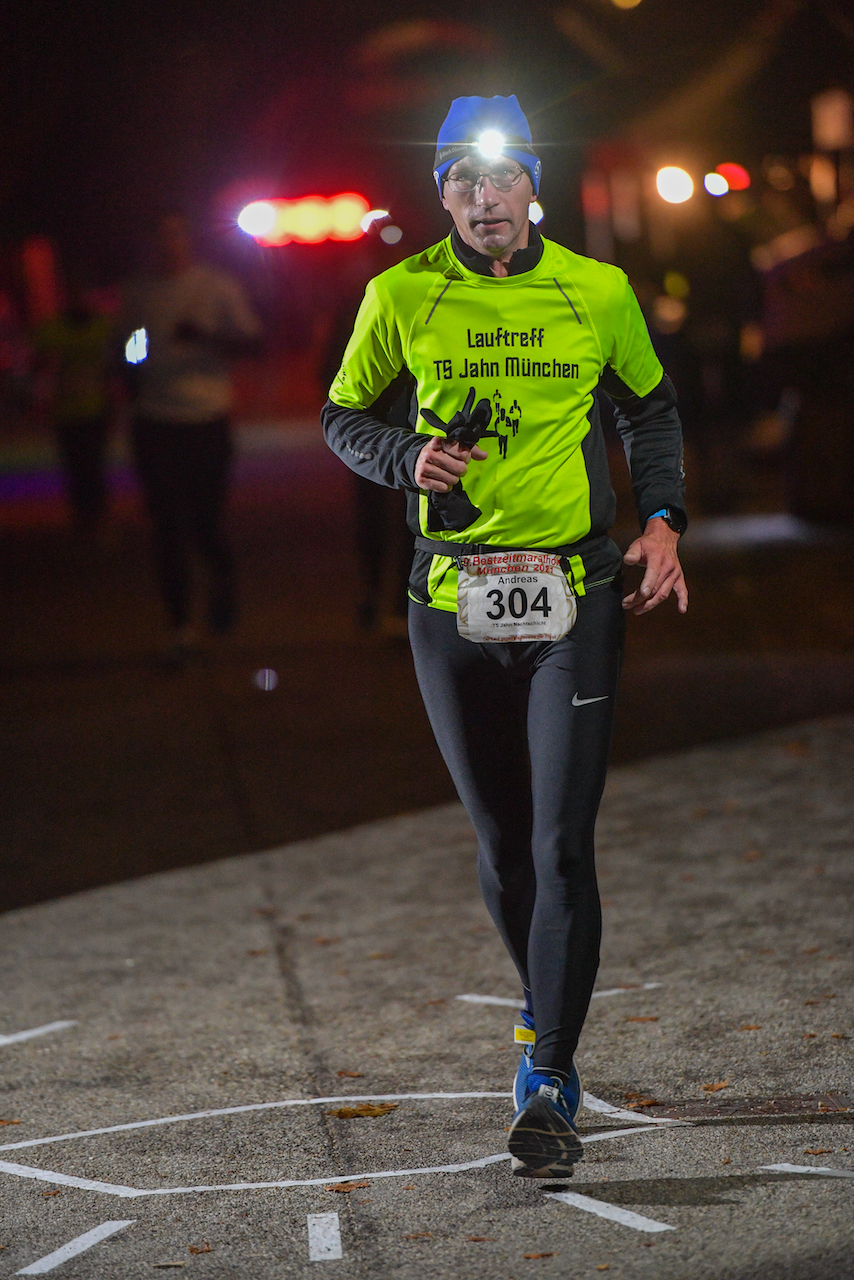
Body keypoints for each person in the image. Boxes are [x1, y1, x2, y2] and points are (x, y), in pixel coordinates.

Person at [322, 95, 688, 1178]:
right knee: (499, 840)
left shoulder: (596, 288)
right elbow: (345, 415)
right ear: (440, 193)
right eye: (463, 183)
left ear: (534, 183)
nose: (486, 200)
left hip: (571, 592)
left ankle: (548, 1075)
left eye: (504, 177)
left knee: (561, 840)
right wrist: (407, 459)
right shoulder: (399, 293)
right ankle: (541, 1010)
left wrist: (661, 519)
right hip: (451, 602)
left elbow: (649, 411)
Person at [120, 212, 262, 658]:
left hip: (206, 417)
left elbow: (254, 343)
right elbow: (126, 350)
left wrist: (205, 338)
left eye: (176, 234)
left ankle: (222, 586)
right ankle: (179, 624)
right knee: (165, 524)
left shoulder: (214, 286)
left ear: (188, 239)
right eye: (160, 235)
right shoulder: (138, 292)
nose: (169, 244)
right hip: (155, 420)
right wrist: (134, 366)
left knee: (205, 519)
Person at [33, 280, 114, 535]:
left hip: (96, 408)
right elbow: (37, 367)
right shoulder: (50, 330)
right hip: (65, 411)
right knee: (75, 466)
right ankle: (83, 516)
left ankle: (97, 517)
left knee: (94, 464)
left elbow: (117, 365)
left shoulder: (104, 328)